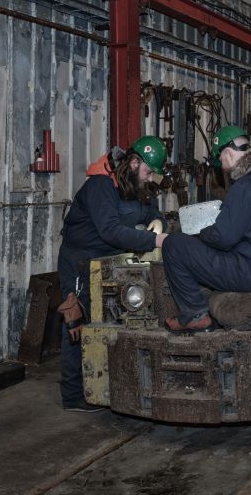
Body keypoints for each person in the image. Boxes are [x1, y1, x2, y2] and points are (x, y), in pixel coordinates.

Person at [57, 136, 168, 411]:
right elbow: (110, 230)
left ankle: (109, 383)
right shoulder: (100, 186)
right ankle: (73, 396)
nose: (150, 178)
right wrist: (154, 241)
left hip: (111, 261)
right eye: (147, 171)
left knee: (113, 322)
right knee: (77, 324)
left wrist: (157, 220)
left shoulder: (132, 184)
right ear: (133, 162)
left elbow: (149, 210)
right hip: (81, 263)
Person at [162, 126, 251, 331]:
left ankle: (193, 314)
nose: (223, 168)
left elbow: (223, 237)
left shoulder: (246, 185)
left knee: (174, 244)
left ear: (226, 154)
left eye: (221, 162)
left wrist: (201, 234)